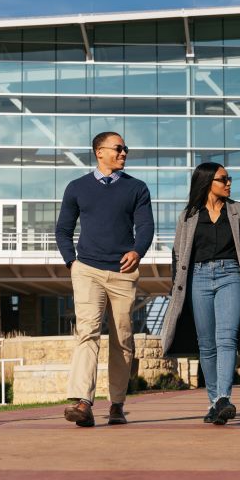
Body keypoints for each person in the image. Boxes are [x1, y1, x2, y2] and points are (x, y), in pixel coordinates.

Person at [56, 131, 154, 427]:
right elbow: (63, 229)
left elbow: (146, 226)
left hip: (123, 273)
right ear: (99, 152)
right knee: (87, 332)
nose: (124, 153)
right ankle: (83, 402)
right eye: (119, 148)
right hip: (87, 270)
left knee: (123, 339)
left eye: (126, 149)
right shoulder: (77, 188)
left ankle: (116, 404)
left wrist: (138, 251)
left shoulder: (137, 188)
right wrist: (71, 262)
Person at [159, 162, 240, 425]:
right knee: (206, 344)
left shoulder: (239, 212)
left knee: (227, 338)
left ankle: (224, 398)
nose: (229, 183)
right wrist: (177, 286)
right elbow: (177, 254)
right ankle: (214, 401)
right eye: (223, 179)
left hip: (231, 276)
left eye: (229, 178)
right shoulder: (188, 215)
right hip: (198, 277)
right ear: (207, 182)